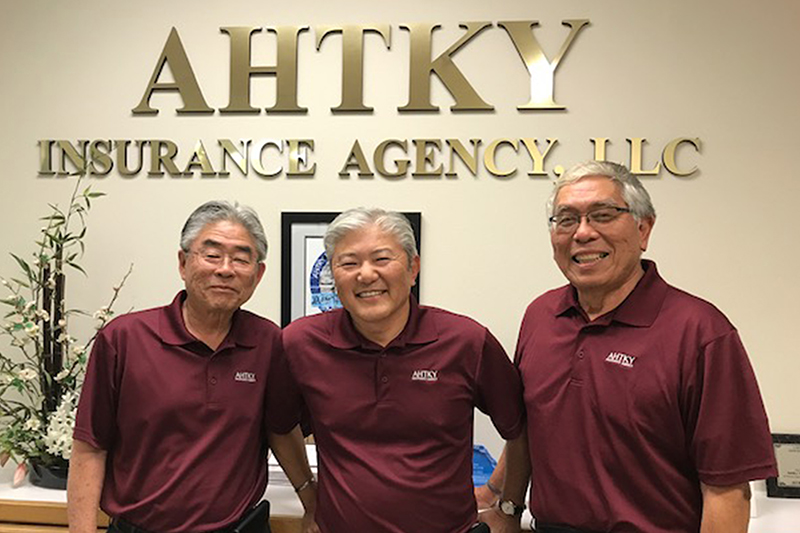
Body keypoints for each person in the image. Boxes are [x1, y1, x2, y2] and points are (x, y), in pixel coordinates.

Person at [481, 161, 777, 533]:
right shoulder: (540, 316)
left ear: (643, 229)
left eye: (603, 215)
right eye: (566, 220)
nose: (583, 233)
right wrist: (506, 506)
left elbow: (728, 489)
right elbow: (529, 428)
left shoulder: (701, 333)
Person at [68, 201, 318, 533]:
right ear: (183, 263)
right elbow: (90, 447)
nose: (225, 269)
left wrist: (312, 501)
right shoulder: (124, 339)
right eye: (212, 255)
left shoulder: (268, 341)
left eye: (241, 259)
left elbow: (280, 429)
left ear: (257, 275)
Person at [282, 207, 525, 533]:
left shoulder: (466, 341)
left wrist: (507, 504)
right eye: (349, 263)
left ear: (413, 268)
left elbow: (520, 428)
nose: (366, 275)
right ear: (333, 277)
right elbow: (279, 426)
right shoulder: (301, 343)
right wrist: (308, 494)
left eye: (382, 259)